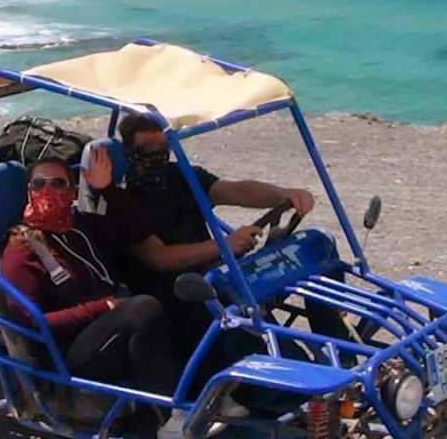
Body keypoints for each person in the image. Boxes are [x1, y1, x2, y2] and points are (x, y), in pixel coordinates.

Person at [0, 151, 242, 439]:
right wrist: (100, 307)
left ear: (73, 190)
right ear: (28, 191)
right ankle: (164, 417)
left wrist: (107, 188)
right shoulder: (21, 250)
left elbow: (134, 228)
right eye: (39, 184)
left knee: (181, 293)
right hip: (67, 352)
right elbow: (29, 325)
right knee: (142, 309)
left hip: (107, 325)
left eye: (58, 183)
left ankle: (208, 390)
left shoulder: (81, 226)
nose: (47, 192)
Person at [116, 114, 355, 341]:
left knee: (318, 246)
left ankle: (337, 345)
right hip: (180, 294)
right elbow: (161, 258)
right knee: (258, 333)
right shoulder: (122, 201)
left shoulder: (179, 176)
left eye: (164, 147)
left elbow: (234, 190)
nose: (158, 156)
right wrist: (224, 245)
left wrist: (284, 195)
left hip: (218, 278)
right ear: (128, 153)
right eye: (148, 150)